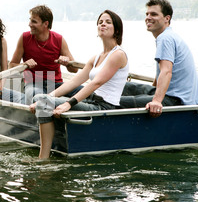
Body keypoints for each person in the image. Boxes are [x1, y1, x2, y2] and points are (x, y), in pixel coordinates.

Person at [30, 10, 129, 159]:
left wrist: (68, 103)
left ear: (117, 30)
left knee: (44, 103)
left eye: (108, 22)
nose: (103, 24)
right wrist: (48, 96)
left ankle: (43, 159)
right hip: (91, 100)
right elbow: (74, 81)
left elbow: (96, 83)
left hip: (103, 107)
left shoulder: (118, 55)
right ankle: (56, 146)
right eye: (100, 21)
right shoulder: (96, 57)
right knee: (39, 98)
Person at [120, 0, 198, 116]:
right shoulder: (169, 35)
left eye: (154, 14)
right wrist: (151, 94)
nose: (148, 17)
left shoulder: (165, 38)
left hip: (178, 100)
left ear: (167, 18)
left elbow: (166, 71)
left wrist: (156, 101)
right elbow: (162, 71)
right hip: (182, 97)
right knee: (119, 85)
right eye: (147, 14)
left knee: (111, 100)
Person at [9, 5, 80, 105]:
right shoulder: (24, 37)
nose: (29, 24)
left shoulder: (59, 39)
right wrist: (24, 64)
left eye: (34, 21)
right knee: (37, 96)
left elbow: (74, 69)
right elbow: (11, 65)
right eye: (30, 20)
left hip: (55, 84)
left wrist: (66, 62)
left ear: (45, 24)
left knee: (84, 92)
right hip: (33, 83)